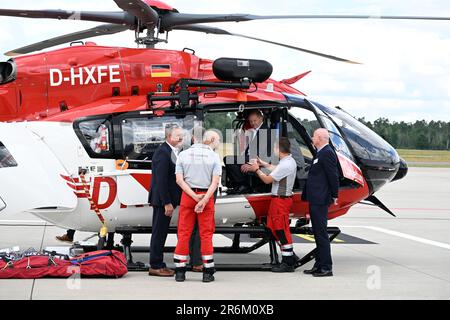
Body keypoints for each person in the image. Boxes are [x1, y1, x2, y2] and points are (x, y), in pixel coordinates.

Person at [173, 130, 222, 283]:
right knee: (206, 235)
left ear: (193, 138)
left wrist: (194, 197)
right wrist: (204, 200)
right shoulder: (214, 157)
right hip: (206, 198)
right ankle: (207, 272)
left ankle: (180, 272)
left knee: (184, 233)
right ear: (207, 139)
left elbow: (179, 181)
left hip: (188, 197)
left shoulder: (182, 155)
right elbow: (215, 183)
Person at [247, 137, 298, 272]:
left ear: (279, 149)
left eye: (275, 148)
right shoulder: (288, 161)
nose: (274, 150)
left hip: (281, 201)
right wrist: (263, 164)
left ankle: (288, 262)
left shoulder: (286, 164)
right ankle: (290, 256)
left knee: (281, 229)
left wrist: (257, 170)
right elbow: (276, 169)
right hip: (279, 200)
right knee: (274, 227)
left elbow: (267, 180)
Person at [301, 128, 339, 277]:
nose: (312, 138)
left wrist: (335, 195)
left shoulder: (328, 153)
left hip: (320, 199)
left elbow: (333, 175)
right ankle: (319, 264)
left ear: (321, 138)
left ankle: (326, 267)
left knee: (321, 234)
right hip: (315, 198)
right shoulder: (321, 152)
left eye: (314, 136)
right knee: (317, 233)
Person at [148, 124, 184, 277]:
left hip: (166, 200)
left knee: (161, 233)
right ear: (169, 137)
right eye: (178, 136)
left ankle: (158, 264)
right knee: (159, 233)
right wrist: (167, 203)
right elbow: (161, 181)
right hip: (162, 201)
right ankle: (155, 265)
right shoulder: (163, 153)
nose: (181, 138)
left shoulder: (170, 151)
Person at [225, 109, 271, 194]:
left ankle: (243, 185)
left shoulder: (265, 131)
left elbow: (262, 154)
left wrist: (249, 163)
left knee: (228, 159)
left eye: (254, 120)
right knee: (229, 160)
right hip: (250, 157)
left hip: (257, 159)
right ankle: (239, 185)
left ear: (261, 118)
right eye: (251, 121)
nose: (253, 123)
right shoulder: (255, 131)